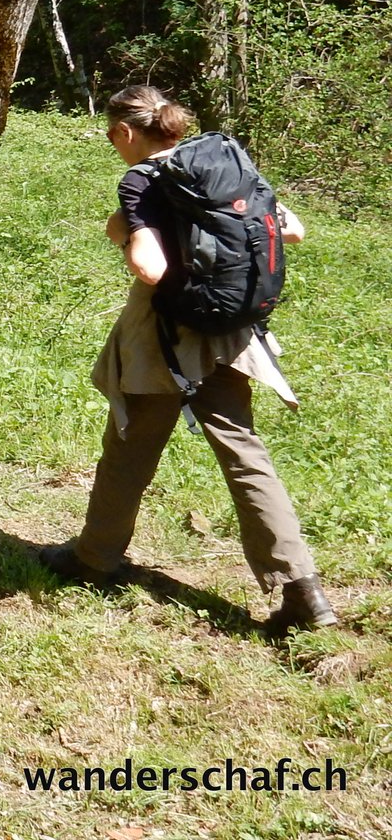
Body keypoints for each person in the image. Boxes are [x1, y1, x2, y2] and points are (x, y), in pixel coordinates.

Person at [39, 85, 335, 634]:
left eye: (113, 136)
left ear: (126, 133)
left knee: (129, 446)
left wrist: (126, 231)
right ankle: (302, 590)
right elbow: (291, 228)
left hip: (167, 339)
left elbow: (149, 268)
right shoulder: (223, 162)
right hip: (234, 335)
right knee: (245, 453)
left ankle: (94, 559)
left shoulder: (143, 180)